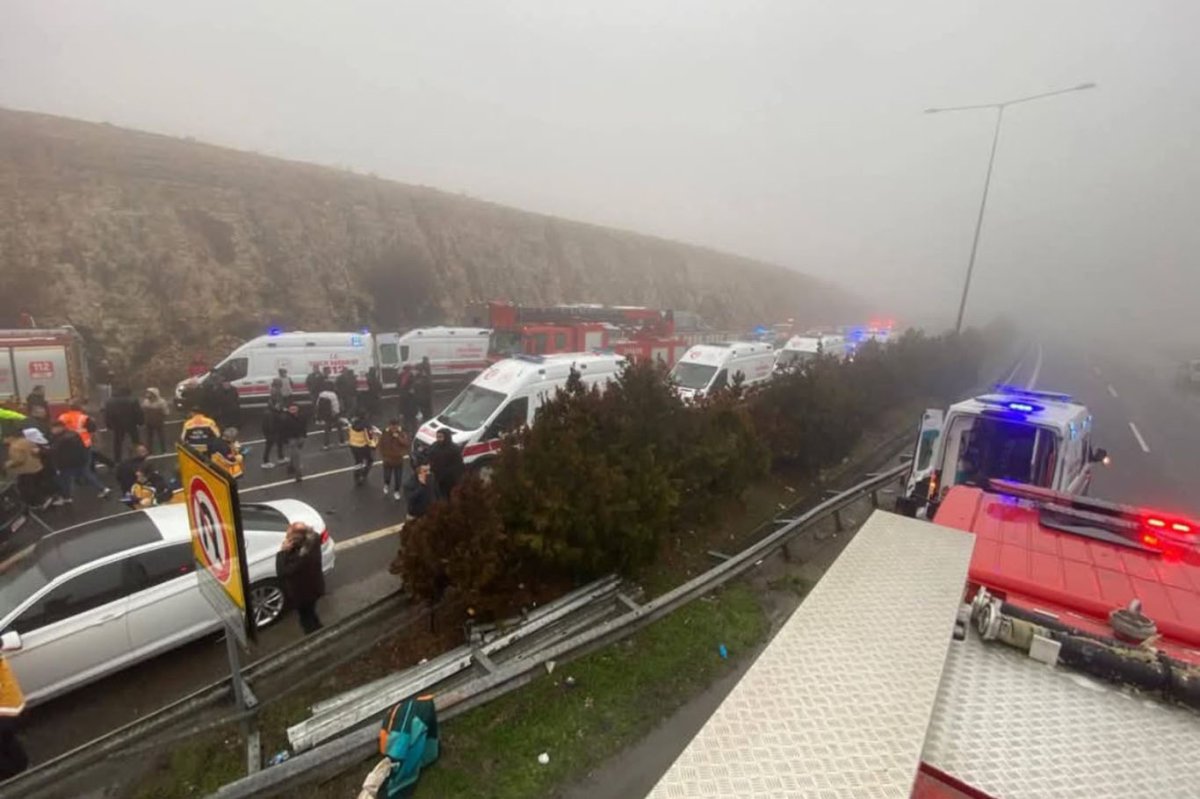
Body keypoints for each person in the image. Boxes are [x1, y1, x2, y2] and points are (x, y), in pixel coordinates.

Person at [276, 522, 325, 634]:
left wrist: (282, 551)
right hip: (315, 588)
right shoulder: (314, 539)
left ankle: (313, 635)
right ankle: (319, 628)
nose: (286, 539)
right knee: (311, 612)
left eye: (289, 537)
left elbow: (282, 572)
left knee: (305, 618)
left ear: (296, 540)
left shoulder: (301, 558)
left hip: (304, 594)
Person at [50, 419, 108, 501]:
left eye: (53, 428)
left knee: (65, 480)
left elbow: (54, 450)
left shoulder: (61, 439)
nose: (52, 430)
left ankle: (67, 497)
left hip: (67, 463)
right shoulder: (73, 434)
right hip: (80, 460)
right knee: (87, 475)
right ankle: (102, 488)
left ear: (60, 428)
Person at [58, 400, 112, 486]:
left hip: (67, 445)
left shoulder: (62, 417)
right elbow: (93, 431)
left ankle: (78, 479)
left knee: (74, 462)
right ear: (80, 408)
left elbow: (58, 429)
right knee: (86, 463)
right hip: (84, 443)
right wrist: (97, 441)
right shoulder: (84, 418)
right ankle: (92, 479)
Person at [3, 431, 52, 510]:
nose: (3, 440)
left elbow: (19, 460)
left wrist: (8, 464)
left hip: (26, 470)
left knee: (27, 489)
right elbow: (36, 451)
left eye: (5, 438)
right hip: (37, 466)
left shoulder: (15, 447)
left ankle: (37, 503)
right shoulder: (26, 441)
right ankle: (44, 500)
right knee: (37, 486)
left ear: (10, 437)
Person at [103, 386, 143, 461]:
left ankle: (117, 459)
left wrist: (108, 424)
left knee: (117, 442)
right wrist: (140, 422)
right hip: (131, 423)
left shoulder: (110, 401)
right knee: (135, 440)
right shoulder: (133, 400)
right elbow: (138, 412)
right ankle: (138, 456)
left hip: (117, 424)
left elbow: (107, 414)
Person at [427, 427, 465, 500]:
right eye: (437, 437)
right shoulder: (435, 446)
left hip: (450, 480)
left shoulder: (454, 449)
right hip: (437, 477)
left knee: (449, 497)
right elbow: (430, 456)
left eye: (441, 437)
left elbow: (458, 466)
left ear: (446, 437)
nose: (438, 439)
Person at [378, 419, 410, 500]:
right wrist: (383, 455)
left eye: (395, 427)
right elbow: (380, 444)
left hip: (398, 460)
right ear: (389, 426)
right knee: (387, 475)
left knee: (398, 478)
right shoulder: (385, 433)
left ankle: (396, 491)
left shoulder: (402, 433)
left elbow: (406, 443)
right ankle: (386, 484)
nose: (394, 429)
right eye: (392, 427)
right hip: (388, 460)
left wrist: (398, 437)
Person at [346, 413, 379, 487]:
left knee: (358, 461)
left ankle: (356, 476)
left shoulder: (352, 424)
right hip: (362, 446)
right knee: (370, 460)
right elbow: (368, 438)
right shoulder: (366, 426)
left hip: (353, 445)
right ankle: (364, 474)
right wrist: (373, 445)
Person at [279, 404, 309, 482]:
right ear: (288, 410)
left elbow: (304, 427)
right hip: (291, 439)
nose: (293, 411)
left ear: (298, 409)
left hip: (300, 438)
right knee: (297, 457)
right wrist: (285, 440)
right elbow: (282, 431)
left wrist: (304, 436)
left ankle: (290, 467)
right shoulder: (286, 419)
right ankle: (298, 475)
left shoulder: (302, 417)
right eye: (291, 409)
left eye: (294, 409)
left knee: (294, 455)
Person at [261, 382, 287, 469]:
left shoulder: (276, 398)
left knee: (279, 442)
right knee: (269, 443)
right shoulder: (271, 406)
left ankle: (281, 457)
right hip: (271, 427)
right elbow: (276, 410)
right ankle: (265, 461)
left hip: (276, 425)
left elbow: (279, 408)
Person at [140, 388, 170, 454]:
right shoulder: (146, 401)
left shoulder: (161, 402)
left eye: (150, 393)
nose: (148, 395)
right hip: (148, 422)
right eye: (147, 393)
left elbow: (166, 412)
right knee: (149, 437)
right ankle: (149, 451)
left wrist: (161, 417)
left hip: (158, 422)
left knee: (161, 436)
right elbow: (142, 410)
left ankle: (164, 450)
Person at [316, 385, 343, 449]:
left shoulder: (321, 394)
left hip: (325, 414)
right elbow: (335, 404)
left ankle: (326, 444)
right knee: (339, 427)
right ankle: (342, 442)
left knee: (326, 429)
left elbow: (317, 404)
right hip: (333, 413)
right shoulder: (333, 394)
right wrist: (337, 412)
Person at [397, 365, 418, 433]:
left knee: (408, 419)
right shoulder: (410, 376)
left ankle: (408, 430)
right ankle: (411, 431)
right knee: (411, 420)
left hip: (407, 403)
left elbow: (398, 385)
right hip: (409, 403)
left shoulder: (402, 376)